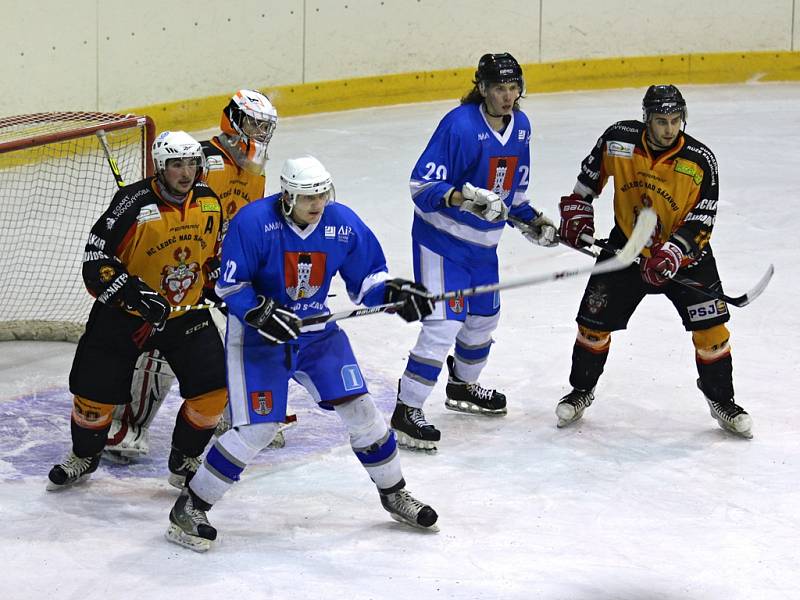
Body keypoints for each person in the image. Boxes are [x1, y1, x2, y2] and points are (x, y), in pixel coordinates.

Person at [165, 155, 439, 552]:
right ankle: (190, 506)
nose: (317, 204)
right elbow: (230, 286)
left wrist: (395, 294)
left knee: (363, 412)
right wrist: (260, 311)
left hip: (317, 335)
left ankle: (394, 493)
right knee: (257, 429)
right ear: (287, 195)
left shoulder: (341, 223)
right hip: (260, 340)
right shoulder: (253, 223)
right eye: (308, 196)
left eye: (322, 194)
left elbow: (368, 282)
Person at [554, 84, 753, 438]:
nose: (669, 129)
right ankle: (581, 390)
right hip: (626, 249)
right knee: (591, 327)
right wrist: (578, 212)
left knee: (713, 333)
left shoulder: (700, 161)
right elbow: (587, 182)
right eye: (661, 121)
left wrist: (672, 254)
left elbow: (701, 222)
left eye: (676, 120)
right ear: (646, 119)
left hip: (685, 255)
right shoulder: (618, 140)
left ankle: (722, 399)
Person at [104, 90, 283, 463]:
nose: (261, 132)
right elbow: (171, 207)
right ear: (232, 120)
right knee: (166, 343)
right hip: (187, 265)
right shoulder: (205, 160)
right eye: (253, 123)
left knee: (249, 334)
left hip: (233, 263)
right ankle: (130, 423)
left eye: (266, 125)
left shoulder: (255, 167)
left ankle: (240, 412)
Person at [391, 52, 557, 452]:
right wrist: (460, 198)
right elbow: (421, 186)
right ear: (481, 88)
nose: (507, 95)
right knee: (443, 324)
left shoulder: (521, 127)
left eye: (514, 86)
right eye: (499, 87)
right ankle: (406, 409)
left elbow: (511, 195)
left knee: (484, 318)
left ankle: (463, 387)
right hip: (441, 243)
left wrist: (531, 220)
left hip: (484, 247)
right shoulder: (458, 125)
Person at [47, 131, 228, 491]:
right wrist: (135, 294)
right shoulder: (131, 203)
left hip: (184, 314)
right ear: (160, 166)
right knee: (93, 395)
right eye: (177, 164)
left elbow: (212, 257)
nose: (186, 172)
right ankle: (84, 455)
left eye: (192, 163)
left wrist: (221, 286)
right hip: (125, 317)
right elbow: (96, 260)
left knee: (213, 391)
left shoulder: (209, 202)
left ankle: (184, 458)